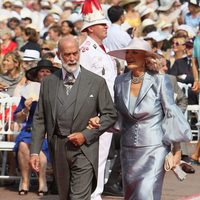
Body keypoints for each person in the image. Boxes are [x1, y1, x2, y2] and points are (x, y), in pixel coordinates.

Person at [29, 36, 117, 200]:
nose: (72, 58)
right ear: (58, 54)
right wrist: (34, 151)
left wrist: (86, 135)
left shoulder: (96, 82)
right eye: (67, 54)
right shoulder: (48, 82)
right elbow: (40, 118)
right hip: (59, 148)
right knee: (65, 196)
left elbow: (110, 114)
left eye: (75, 53)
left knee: (79, 197)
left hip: (85, 149)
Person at [108, 38, 192, 200]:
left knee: (146, 194)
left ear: (146, 57)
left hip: (154, 148)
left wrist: (177, 150)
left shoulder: (160, 80)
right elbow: (117, 114)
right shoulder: (120, 81)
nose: (129, 56)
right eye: (128, 52)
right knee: (131, 195)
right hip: (128, 150)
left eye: (135, 52)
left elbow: (171, 113)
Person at [80, 0, 117, 199]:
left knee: (101, 154)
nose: (106, 26)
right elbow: (83, 83)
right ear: (91, 28)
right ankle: (92, 194)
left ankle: (95, 193)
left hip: (107, 108)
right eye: (102, 24)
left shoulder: (102, 49)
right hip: (95, 111)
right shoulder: (86, 50)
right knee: (94, 155)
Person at [14, 59, 58, 196]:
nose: (45, 74)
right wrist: (25, 109)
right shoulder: (28, 91)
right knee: (22, 144)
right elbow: (18, 118)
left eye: (48, 71)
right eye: (42, 71)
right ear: (37, 74)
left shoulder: (58, 91)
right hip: (30, 129)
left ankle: (42, 181)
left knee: (41, 147)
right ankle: (25, 181)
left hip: (49, 131)